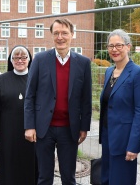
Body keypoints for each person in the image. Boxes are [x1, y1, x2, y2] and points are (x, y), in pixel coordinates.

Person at [24, 18, 92, 185]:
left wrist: (84, 127)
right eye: (56, 33)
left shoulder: (83, 63)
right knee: (44, 177)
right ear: (51, 35)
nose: (60, 37)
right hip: (43, 129)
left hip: (69, 129)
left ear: (72, 35)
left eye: (64, 33)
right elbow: (30, 95)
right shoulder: (40, 59)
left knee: (69, 177)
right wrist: (29, 126)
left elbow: (86, 99)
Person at [99, 29, 140, 185]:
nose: (114, 49)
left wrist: (134, 145)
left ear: (128, 47)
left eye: (119, 45)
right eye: (111, 46)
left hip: (125, 140)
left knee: (121, 180)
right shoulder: (108, 72)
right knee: (106, 178)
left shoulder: (138, 73)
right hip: (107, 135)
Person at [0, 45, 38, 185]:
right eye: (16, 58)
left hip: (30, 128)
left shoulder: (35, 78)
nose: (20, 60)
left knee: (29, 161)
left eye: (23, 57)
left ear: (29, 59)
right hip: (7, 129)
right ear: (11, 60)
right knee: (8, 160)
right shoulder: (3, 79)